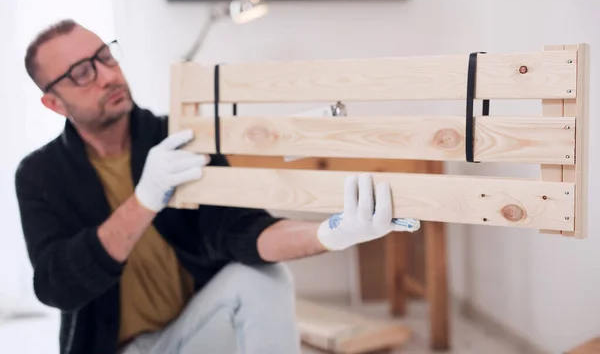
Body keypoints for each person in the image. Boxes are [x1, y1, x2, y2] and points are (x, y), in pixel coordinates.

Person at [14, 19, 420, 354]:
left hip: (193, 336)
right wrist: (145, 200)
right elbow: (55, 285)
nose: (107, 75)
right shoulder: (39, 174)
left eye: (105, 55)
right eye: (82, 72)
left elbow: (244, 233)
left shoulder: (177, 139)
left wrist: (333, 231)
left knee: (263, 279)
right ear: (54, 103)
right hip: (113, 349)